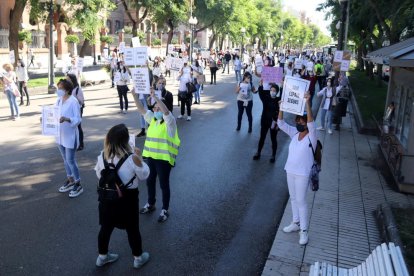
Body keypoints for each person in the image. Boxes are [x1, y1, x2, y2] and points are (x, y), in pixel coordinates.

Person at [94, 124, 150, 269]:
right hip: (128, 199)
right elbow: (144, 175)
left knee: (105, 227)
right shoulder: (132, 158)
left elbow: (99, 175)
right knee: (132, 228)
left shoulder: (102, 156)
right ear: (126, 140)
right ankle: (138, 258)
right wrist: (140, 158)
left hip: (107, 197)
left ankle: (102, 257)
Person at [131, 88, 180, 223]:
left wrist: (156, 98)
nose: (156, 110)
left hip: (164, 160)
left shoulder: (170, 123)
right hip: (151, 157)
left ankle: (165, 209)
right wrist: (134, 96)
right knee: (150, 181)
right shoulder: (153, 120)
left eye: (158, 108)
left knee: (164, 185)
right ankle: (150, 204)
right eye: (155, 108)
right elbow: (141, 110)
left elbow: (166, 112)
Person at [278, 92, 315, 245]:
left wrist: (307, 102)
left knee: (301, 200)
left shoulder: (312, 135)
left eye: (302, 121)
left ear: (306, 123)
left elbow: (311, 121)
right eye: (298, 121)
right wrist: (281, 108)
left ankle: (304, 231)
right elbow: (280, 124)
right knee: (293, 199)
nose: (299, 123)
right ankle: (295, 223)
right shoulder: (295, 133)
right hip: (290, 171)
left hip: (303, 174)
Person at [55, 79, 83, 198]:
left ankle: (78, 183)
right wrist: (45, 119)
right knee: (65, 159)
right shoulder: (58, 101)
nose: (58, 90)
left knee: (70, 160)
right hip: (60, 135)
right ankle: (70, 180)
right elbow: (53, 113)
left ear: (67, 89)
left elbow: (78, 119)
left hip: (70, 135)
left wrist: (67, 119)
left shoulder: (73, 101)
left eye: (60, 88)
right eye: (58, 88)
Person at [253, 83, 281, 163]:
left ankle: (273, 155)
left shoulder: (279, 100)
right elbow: (261, 92)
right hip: (265, 121)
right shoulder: (266, 98)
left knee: (273, 139)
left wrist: (282, 85)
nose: (272, 92)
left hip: (274, 122)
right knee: (262, 137)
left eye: (274, 90)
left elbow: (284, 94)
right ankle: (258, 152)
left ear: (277, 92)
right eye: (271, 90)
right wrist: (261, 84)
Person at [66, 74, 85, 151]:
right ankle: (72, 142)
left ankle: (81, 144)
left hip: (77, 109)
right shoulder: (67, 88)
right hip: (69, 110)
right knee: (71, 126)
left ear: (72, 80)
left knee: (78, 126)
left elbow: (81, 101)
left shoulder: (77, 89)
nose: (66, 80)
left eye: (68, 79)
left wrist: (74, 101)